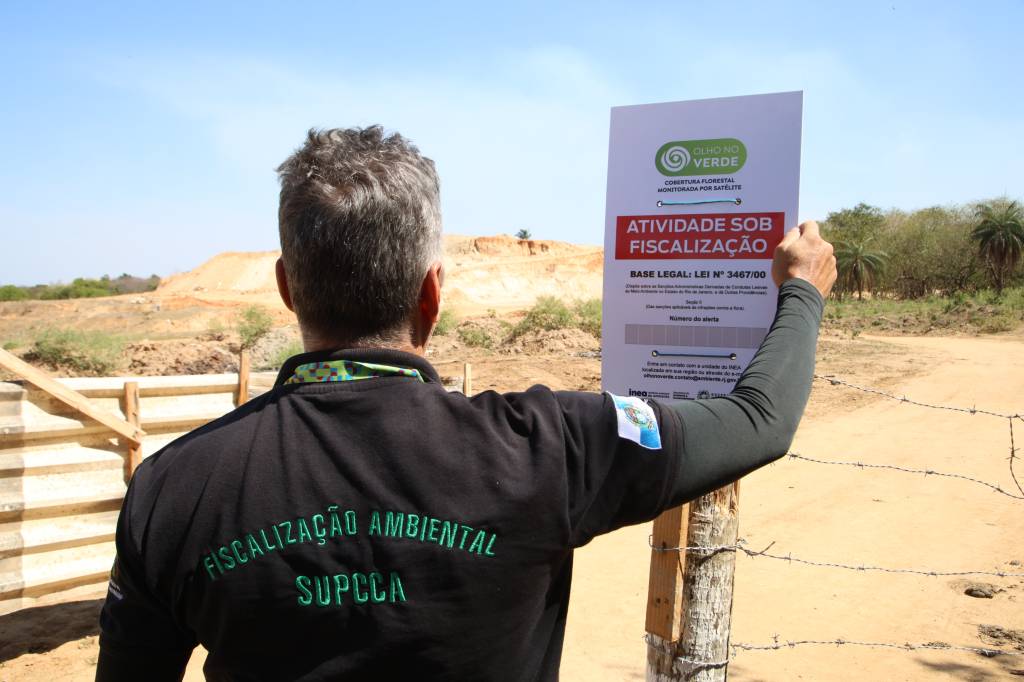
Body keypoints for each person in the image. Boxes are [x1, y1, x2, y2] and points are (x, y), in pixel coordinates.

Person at [96, 126, 836, 681]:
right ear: (432, 293)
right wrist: (800, 290)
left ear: (288, 287)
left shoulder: (173, 487)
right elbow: (759, 421)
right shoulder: (553, 445)